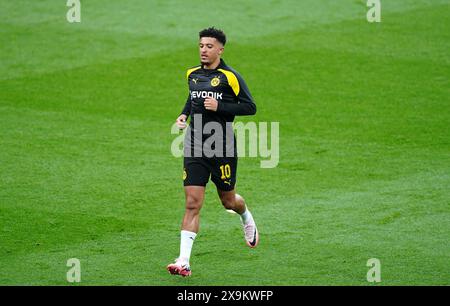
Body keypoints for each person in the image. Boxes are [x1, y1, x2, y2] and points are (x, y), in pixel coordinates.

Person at [167, 27, 258, 277]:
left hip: (222, 145)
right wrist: (185, 113)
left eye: (209, 46)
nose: (204, 50)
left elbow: (250, 107)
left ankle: (246, 216)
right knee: (192, 202)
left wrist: (220, 106)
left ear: (220, 49)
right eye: (201, 46)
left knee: (228, 201)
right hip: (195, 144)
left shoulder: (231, 77)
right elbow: (192, 97)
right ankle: (183, 260)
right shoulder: (192, 74)